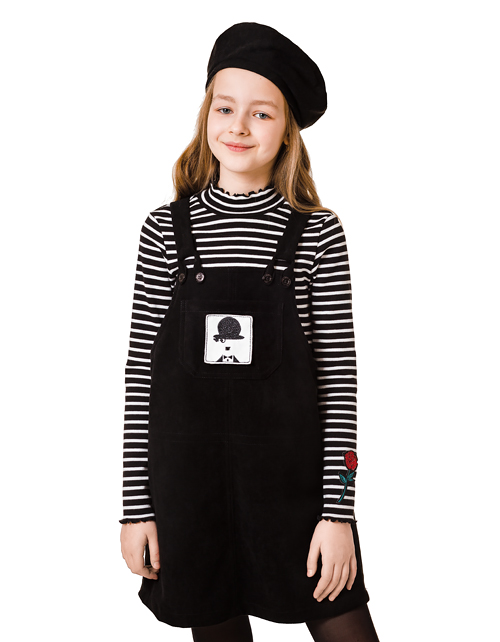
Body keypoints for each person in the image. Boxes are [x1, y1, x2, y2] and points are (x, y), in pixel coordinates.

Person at [119, 22, 380, 642]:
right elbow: (140, 380)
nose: (238, 126)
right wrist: (136, 510)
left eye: (261, 113)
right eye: (225, 107)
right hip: (190, 497)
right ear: (206, 114)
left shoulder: (317, 234)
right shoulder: (164, 231)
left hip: (295, 495)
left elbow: (339, 382)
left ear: (287, 130)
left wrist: (338, 514)